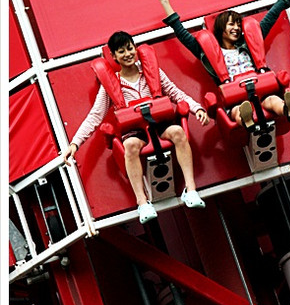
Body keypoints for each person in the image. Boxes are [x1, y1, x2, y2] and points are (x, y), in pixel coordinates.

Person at [63, 31, 209, 224]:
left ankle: (191, 190)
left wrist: (197, 108)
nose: (128, 54)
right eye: (121, 51)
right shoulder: (112, 83)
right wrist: (74, 144)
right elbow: (95, 116)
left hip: (159, 122)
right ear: (114, 56)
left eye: (130, 48)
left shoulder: (152, 72)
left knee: (178, 132)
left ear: (135, 48)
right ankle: (142, 202)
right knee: (130, 145)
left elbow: (176, 93)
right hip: (134, 130)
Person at [156, 0, 290, 131]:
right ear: (221, 29)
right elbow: (182, 34)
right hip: (236, 98)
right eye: (231, 24)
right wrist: (165, 3)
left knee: (273, 101)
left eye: (239, 24)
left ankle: (287, 109)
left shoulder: (248, 44)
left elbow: (271, 16)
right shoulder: (208, 54)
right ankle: (246, 120)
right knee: (238, 110)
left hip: (261, 89)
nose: (237, 28)